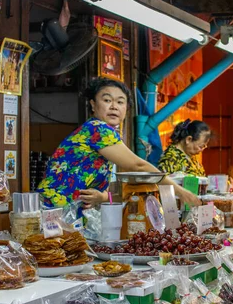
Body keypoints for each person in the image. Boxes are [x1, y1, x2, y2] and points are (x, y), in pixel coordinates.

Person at [37, 78, 200, 211]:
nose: (114, 106)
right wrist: (179, 191)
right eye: (107, 100)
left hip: (65, 212)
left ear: (126, 109)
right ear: (93, 104)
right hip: (56, 212)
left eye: (120, 102)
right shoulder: (98, 129)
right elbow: (138, 165)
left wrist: (102, 197)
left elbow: (105, 188)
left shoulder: (108, 135)